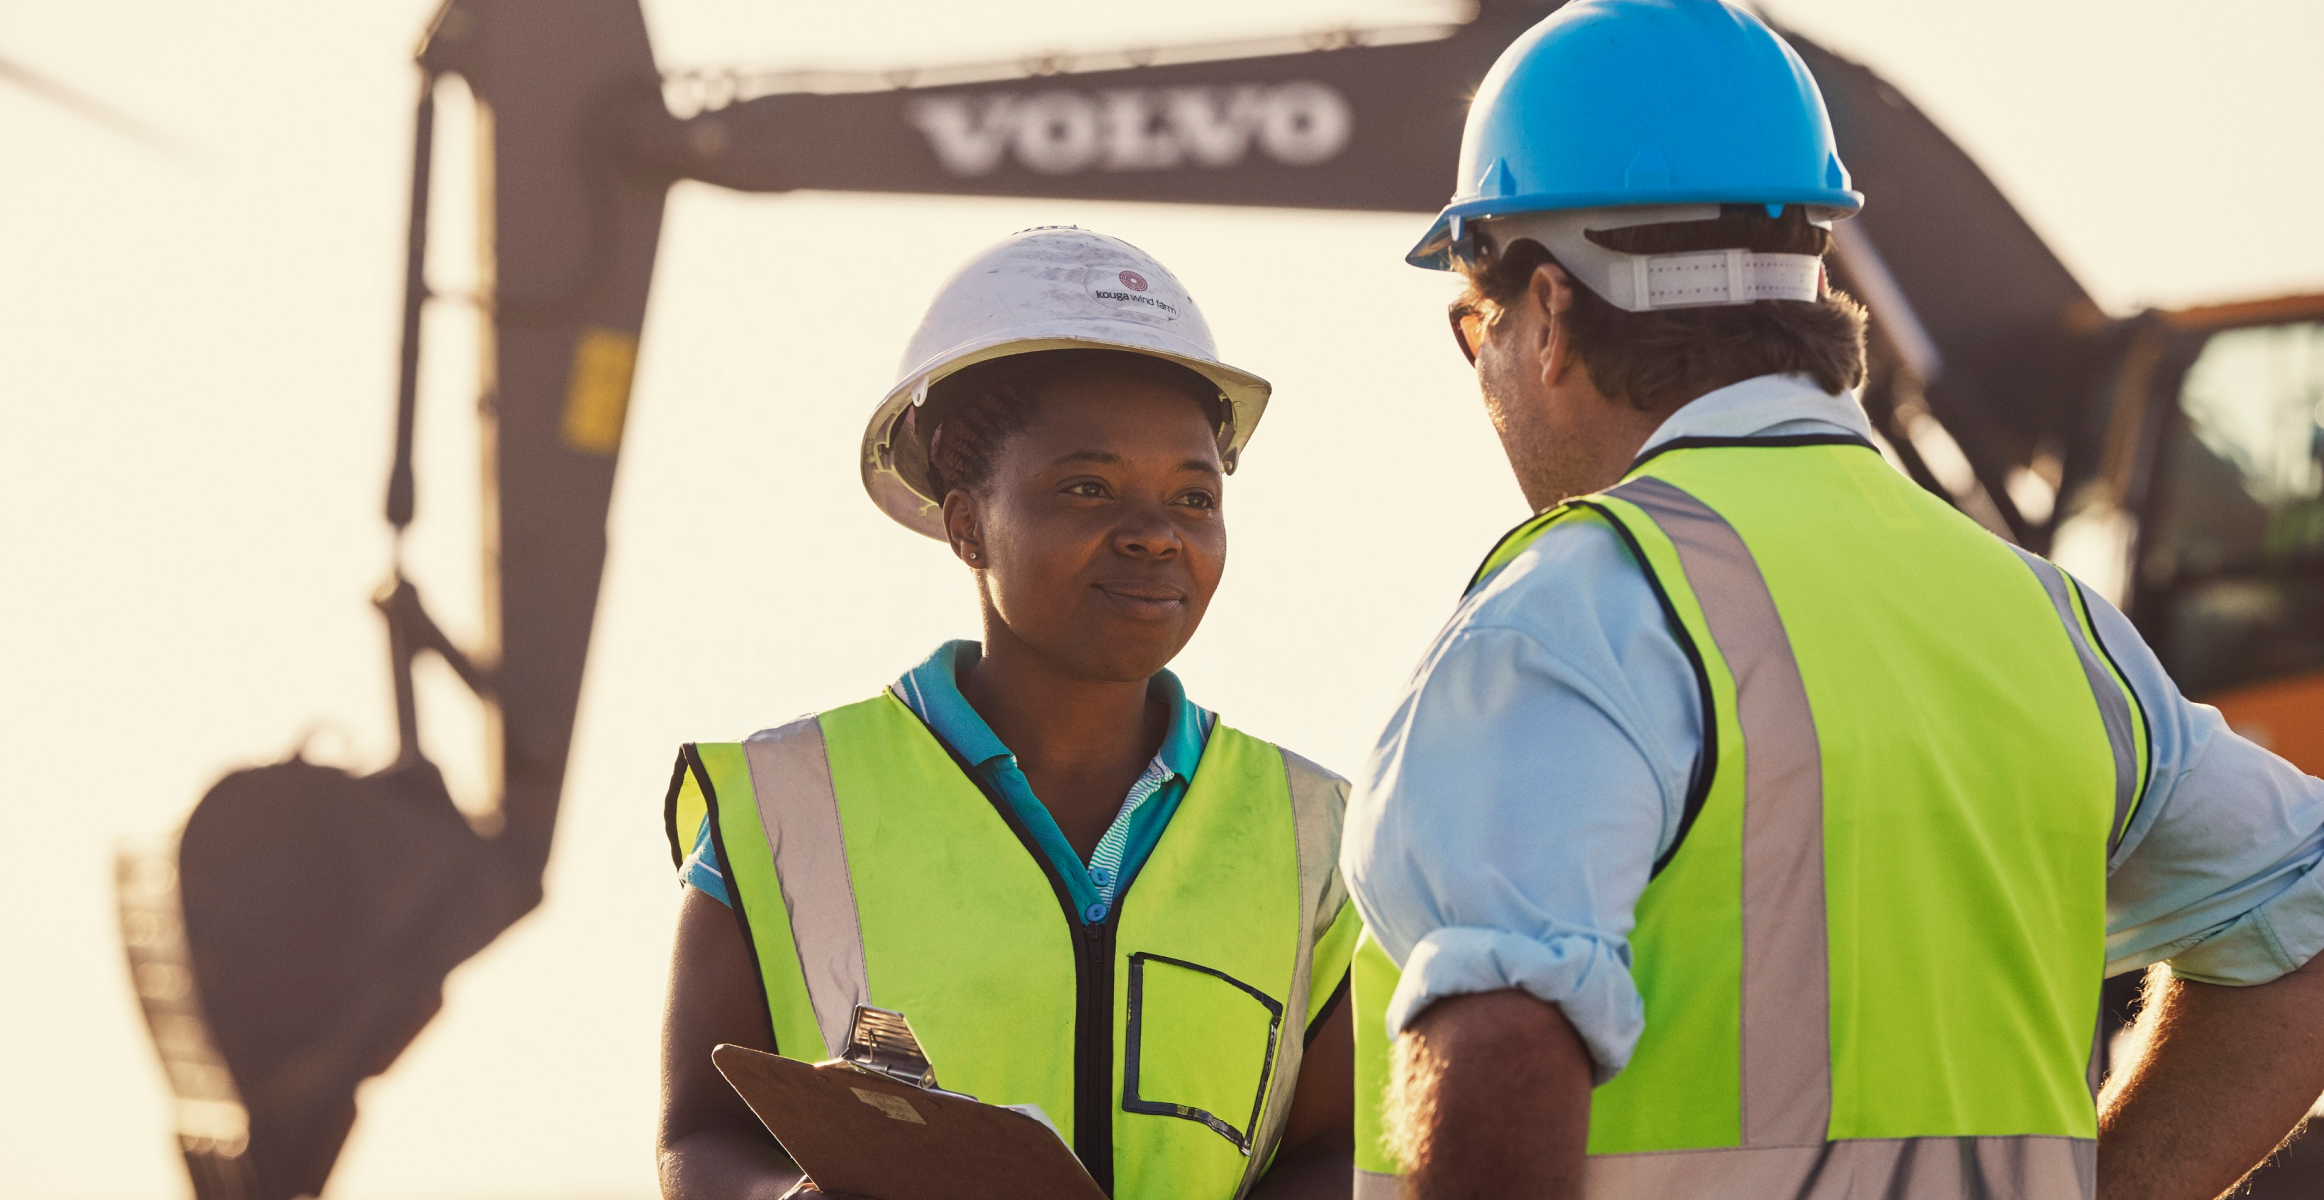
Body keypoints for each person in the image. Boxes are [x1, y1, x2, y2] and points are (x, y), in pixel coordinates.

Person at [1335, 3, 2324, 1199]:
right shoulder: (2039, 618)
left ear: (1543, 315)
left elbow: (1496, 1049)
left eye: (1469, 327)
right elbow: (2300, 927)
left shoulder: (1566, 618)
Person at [655, 227, 1360, 1200]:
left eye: (1193, 497)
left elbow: (1333, 1151)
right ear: (964, 522)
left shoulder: (1315, 835)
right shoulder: (783, 805)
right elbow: (702, 1130)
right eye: (1087, 487)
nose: (1155, 534)